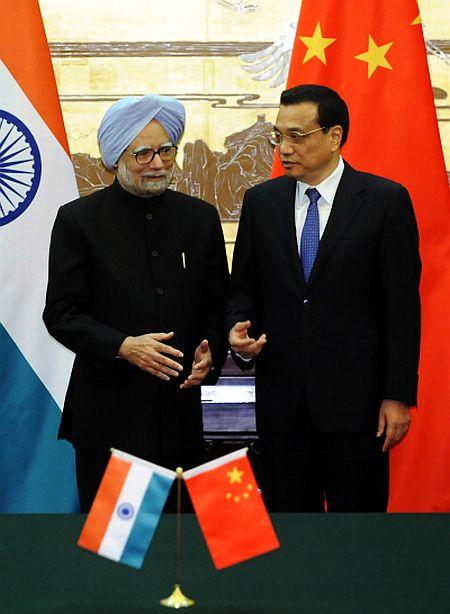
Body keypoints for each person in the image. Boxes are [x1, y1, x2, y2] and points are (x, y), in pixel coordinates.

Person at [227, 84, 421, 512]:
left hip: (359, 408)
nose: (285, 148)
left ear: (334, 136)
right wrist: (237, 327)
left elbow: (402, 310)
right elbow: (244, 289)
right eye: (279, 136)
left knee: (359, 536)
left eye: (297, 136)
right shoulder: (262, 202)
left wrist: (397, 396)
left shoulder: (384, 201)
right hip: (283, 405)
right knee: (292, 534)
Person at [43, 94, 229, 512]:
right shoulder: (78, 221)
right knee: (121, 562)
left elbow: (218, 303)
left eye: (166, 150)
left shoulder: (199, 218)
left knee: (194, 551)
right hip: (111, 419)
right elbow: (61, 314)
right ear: (115, 157)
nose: (158, 163)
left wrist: (210, 349)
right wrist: (124, 346)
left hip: (188, 420)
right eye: (142, 153)